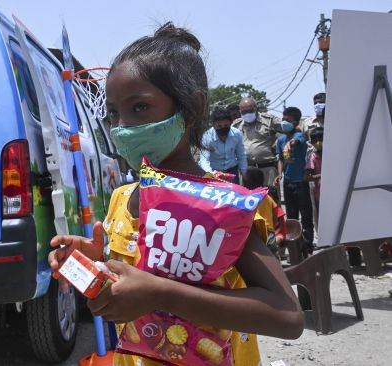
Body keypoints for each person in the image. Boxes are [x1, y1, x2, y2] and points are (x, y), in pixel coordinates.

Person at [48, 23, 303, 366]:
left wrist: (161, 293)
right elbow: (129, 280)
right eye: (112, 113)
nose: (122, 126)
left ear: (191, 107)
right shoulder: (123, 197)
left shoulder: (225, 205)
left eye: (139, 107)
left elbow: (286, 316)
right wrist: (96, 261)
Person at [275, 107, 314, 253]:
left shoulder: (299, 136)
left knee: (306, 215)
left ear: (296, 122)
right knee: (291, 216)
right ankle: (295, 244)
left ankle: (308, 244)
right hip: (288, 182)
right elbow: (280, 158)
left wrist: (291, 144)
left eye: (288, 120)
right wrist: (280, 174)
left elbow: (296, 142)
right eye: (283, 119)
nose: (284, 122)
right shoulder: (280, 140)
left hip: (301, 182)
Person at [233, 97, 281, 186]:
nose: (247, 113)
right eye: (244, 111)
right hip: (247, 171)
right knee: (248, 198)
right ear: (240, 111)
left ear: (256, 108)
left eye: (250, 110)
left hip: (267, 168)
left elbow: (288, 129)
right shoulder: (236, 125)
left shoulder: (268, 120)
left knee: (270, 196)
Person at [243, 167, 287, 259]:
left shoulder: (245, 199)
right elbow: (275, 218)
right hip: (269, 233)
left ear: (244, 184)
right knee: (272, 257)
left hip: (253, 233)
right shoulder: (267, 197)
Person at [198, 108, 247, 184]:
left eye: (226, 125)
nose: (223, 128)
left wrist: (244, 174)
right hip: (214, 172)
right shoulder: (207, 137)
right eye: (219, 126)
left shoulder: (237, 134)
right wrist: (211, 175)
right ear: (214, 125)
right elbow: (204, 160)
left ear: (230, 123)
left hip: (232, 171)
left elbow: (241, 155)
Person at [305, 126, 323, 211]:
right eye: (315, 141)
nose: (318, 143)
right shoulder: (313, 157)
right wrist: (322, 175)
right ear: (311, 142)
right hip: (319, 194)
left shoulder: (333, 154)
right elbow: (306, 177)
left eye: (321, 140)